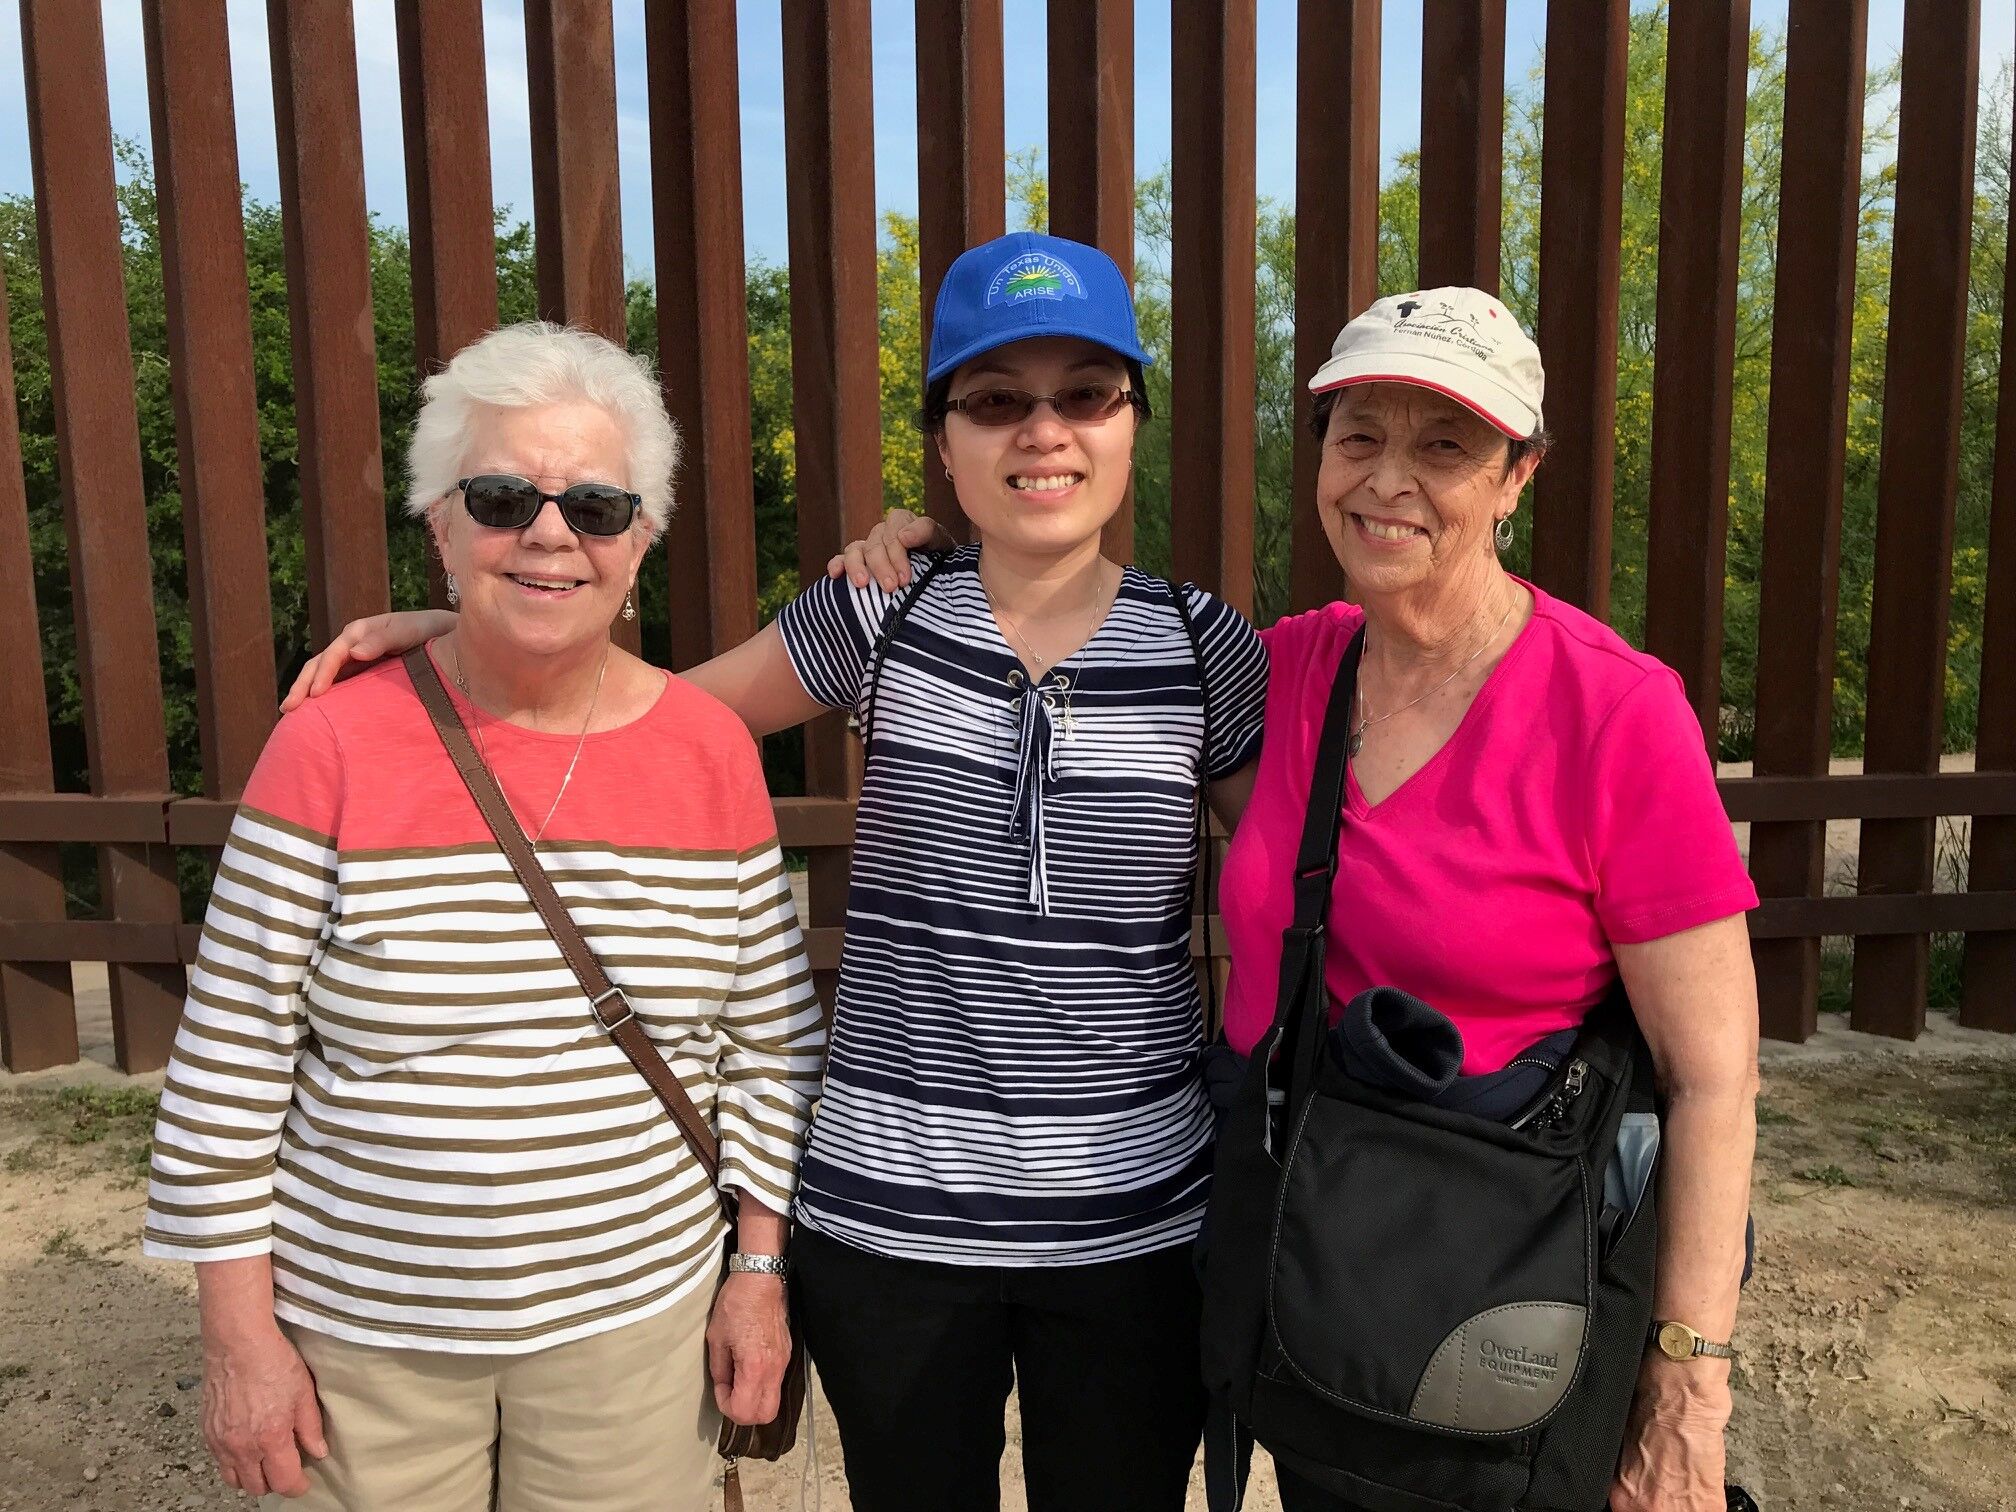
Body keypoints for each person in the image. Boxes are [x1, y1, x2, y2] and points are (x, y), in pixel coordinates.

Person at [281, 234, 1270, 1512]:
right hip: (889, 1222)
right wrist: (478, 629)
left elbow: (1302, 882)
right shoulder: (882, 611)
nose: (1045, 432)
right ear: (946, 435)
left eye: (1086, 393)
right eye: (996, 399)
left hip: (1138, 1222)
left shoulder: (1203, 647)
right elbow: (648, 714)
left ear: (1132, 419)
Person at [830, 287, 1762, 1511]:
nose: (1389, 479)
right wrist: (918, 550)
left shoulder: (1615, 712)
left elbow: (1714, 1074)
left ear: (1518, 476)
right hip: (1315, 1266)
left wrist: (1690, 1385)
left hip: (1503, 1273)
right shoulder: (1291, 669)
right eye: (1359, 434)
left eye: (1445, 445)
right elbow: (1093, 691)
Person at [143, 322, 825, 1511]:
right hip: (367, 1338)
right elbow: (230, 1060)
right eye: (504, 496)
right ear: (442, 524)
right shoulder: (331, 744)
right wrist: (240, 1341)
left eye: (598, 508)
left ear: (642, 540)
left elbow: (770, 1045)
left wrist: (758, 1274)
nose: (552, 533)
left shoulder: (710, 753)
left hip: (632, 1327)